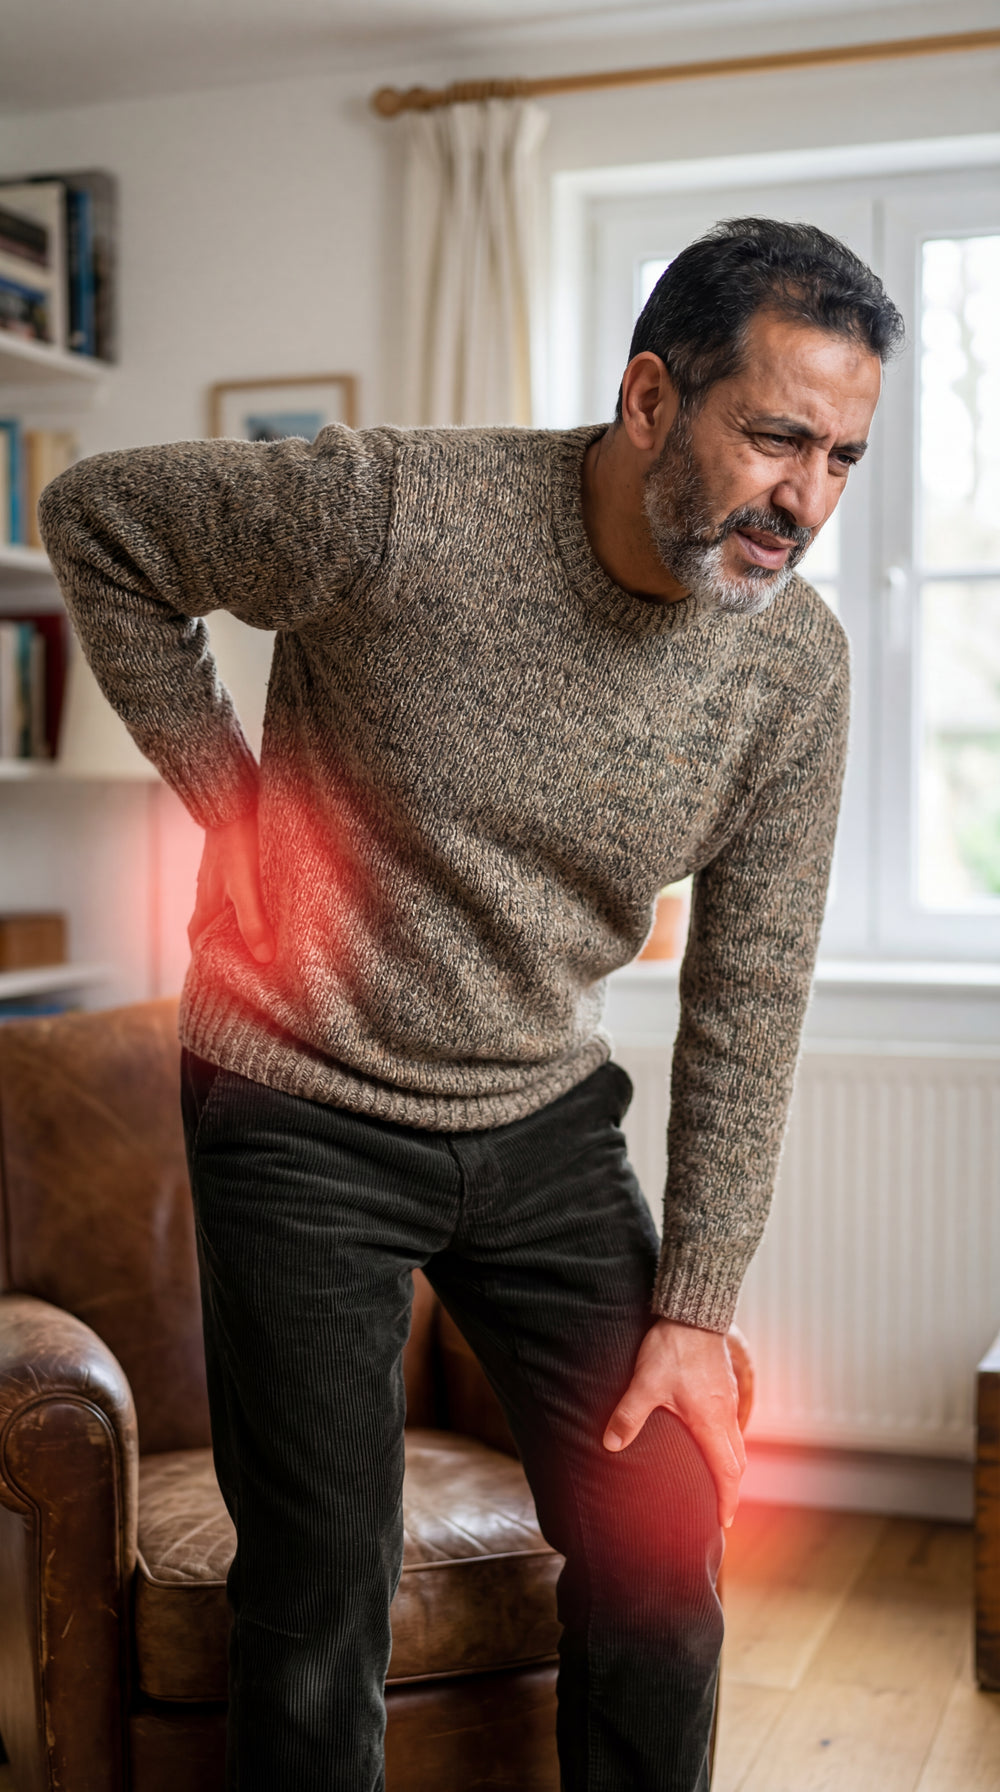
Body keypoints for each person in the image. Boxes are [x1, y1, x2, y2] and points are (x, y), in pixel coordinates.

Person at [39, 216, 902, 1792]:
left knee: (665, 1539)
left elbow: (751, 990)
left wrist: (696, 1307)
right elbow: (101, 521)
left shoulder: (796, 671)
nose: (807, 501)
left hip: (540, 1114)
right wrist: (231, 806)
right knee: (319, 1592)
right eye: (777, 436)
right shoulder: (398, 510)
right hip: (297, 1098)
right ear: (651, 396)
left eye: (842, 456)